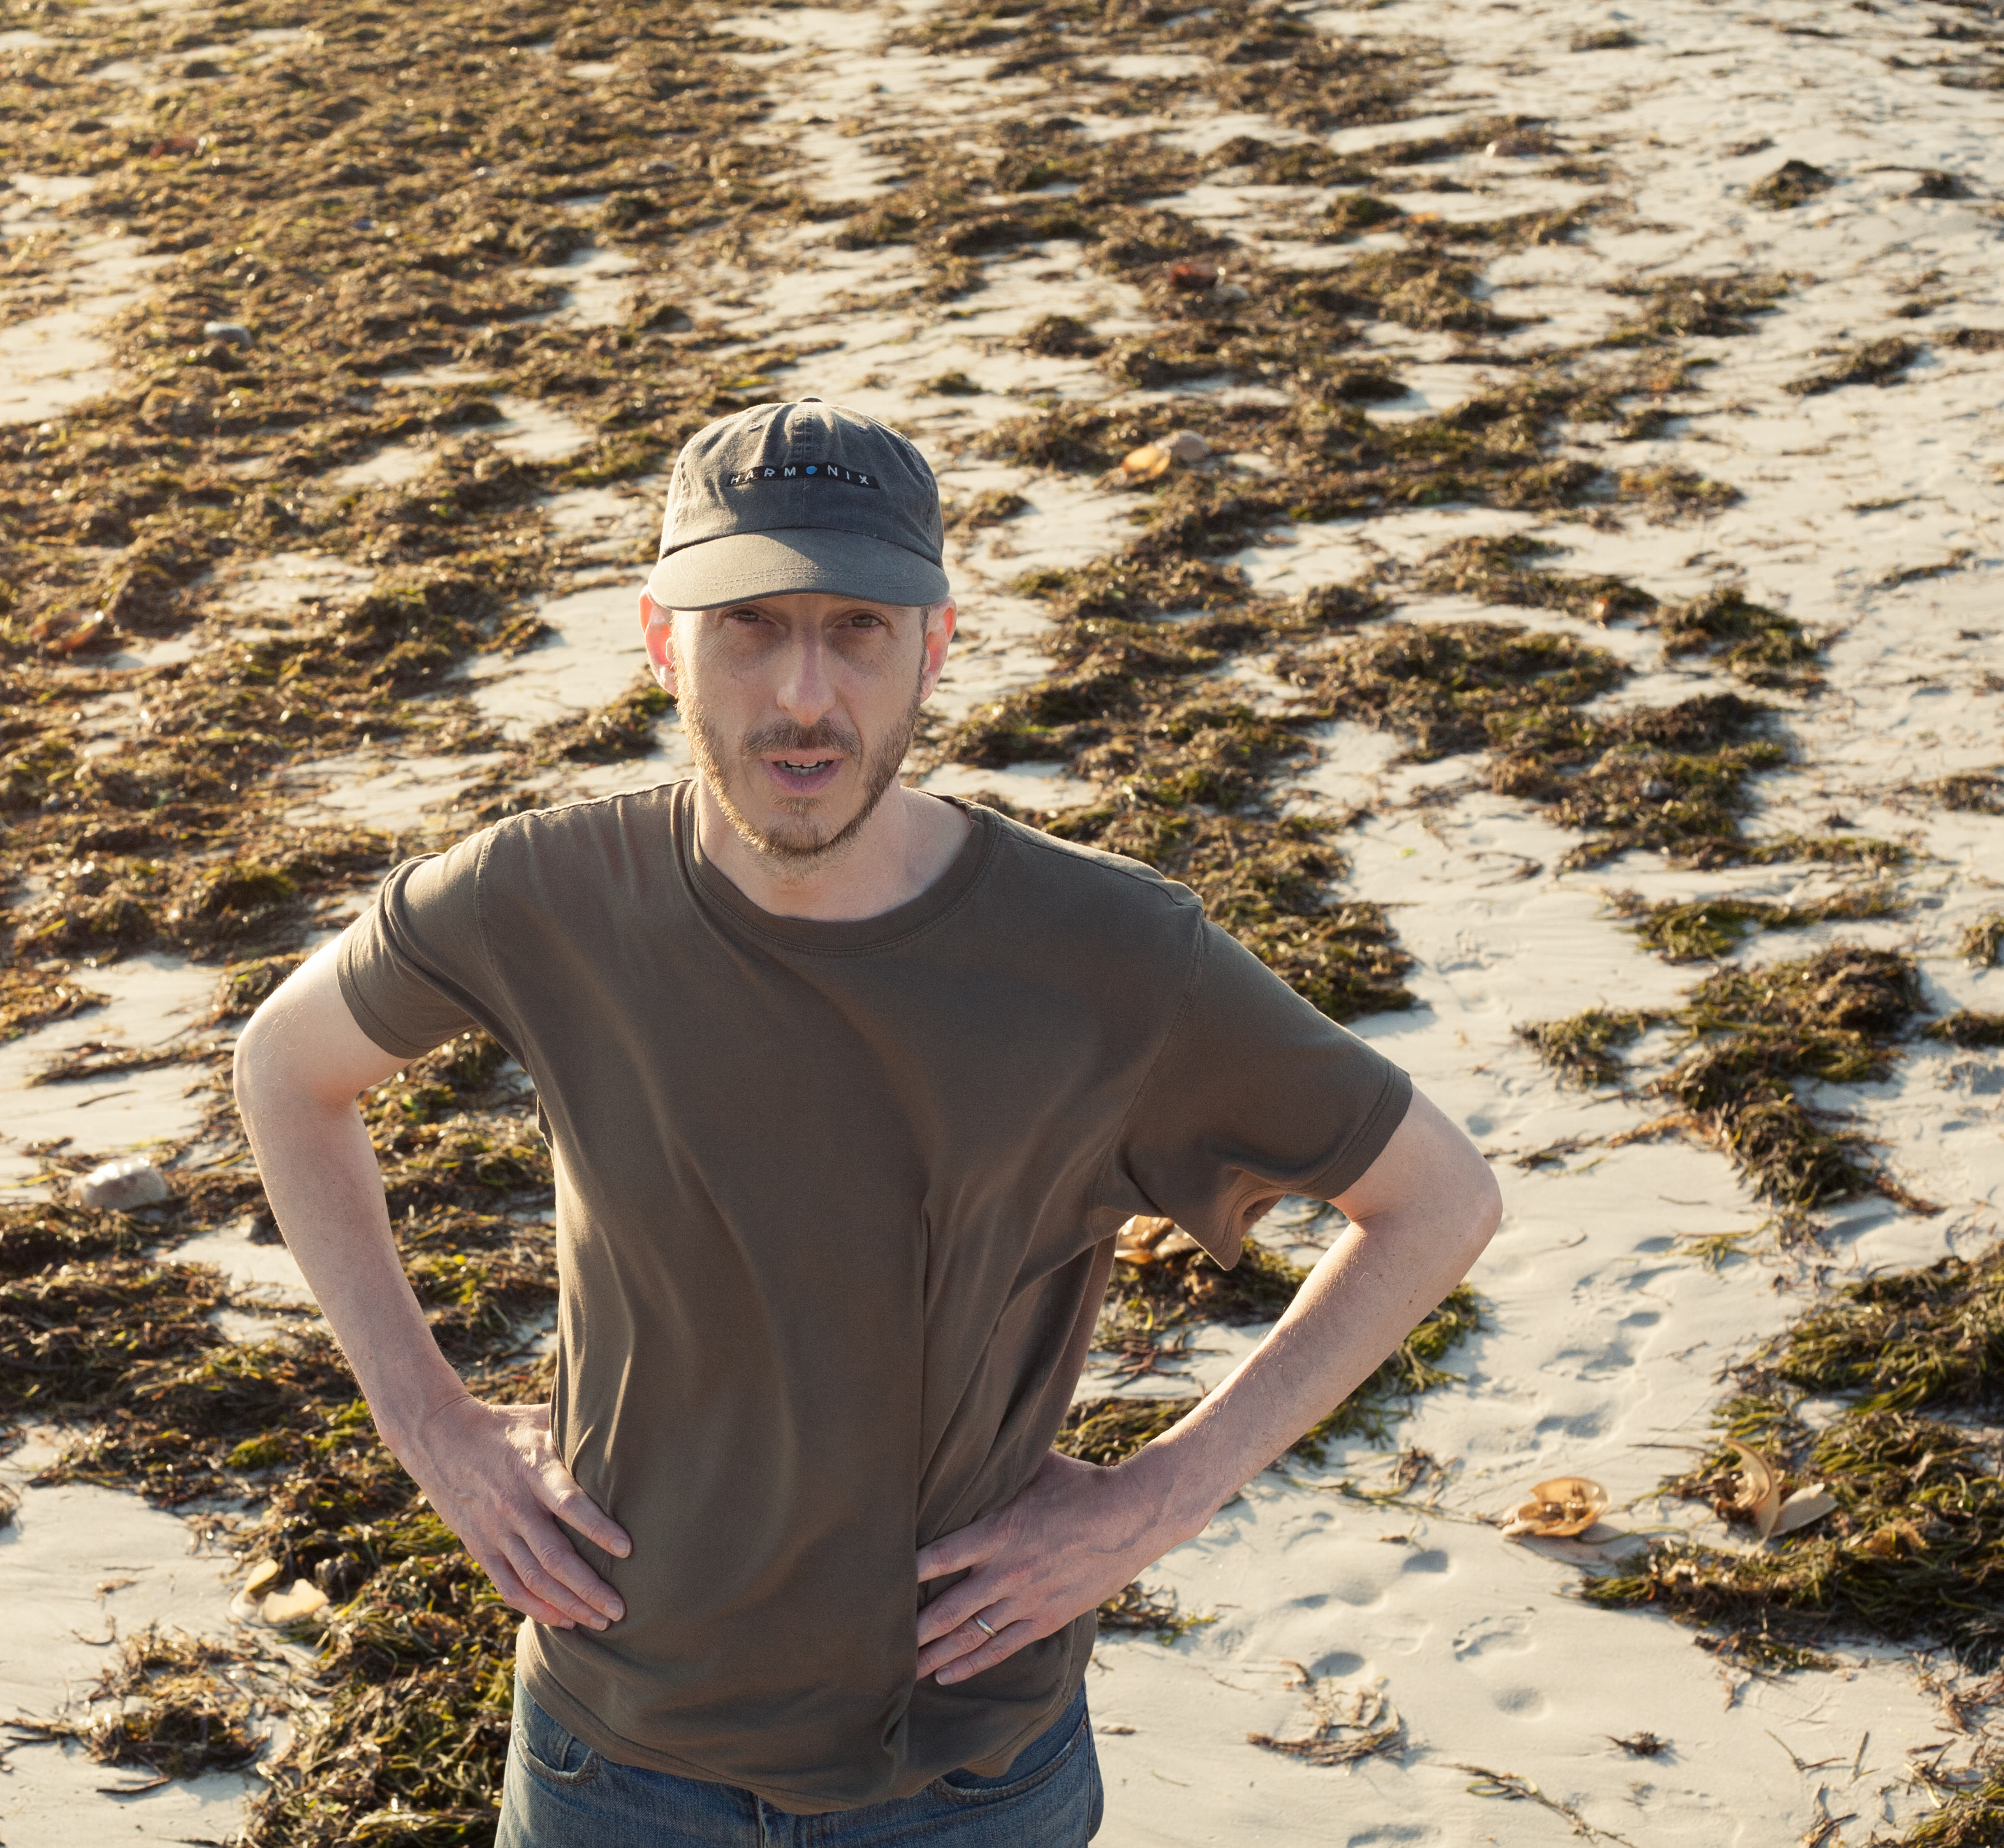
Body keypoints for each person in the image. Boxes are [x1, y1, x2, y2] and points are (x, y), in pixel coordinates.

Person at [232, 399, 1502, 1845]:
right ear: (662, 640)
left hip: (960, 1781)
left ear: (933, 647)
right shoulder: (541, 899)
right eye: (749, 627)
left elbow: (1435, 1199)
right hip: (610, 1762)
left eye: (855, 629)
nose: (802, 696)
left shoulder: (1105, 957)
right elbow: (286, 1068)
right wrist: (430, 1424)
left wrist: (1161, 1495)